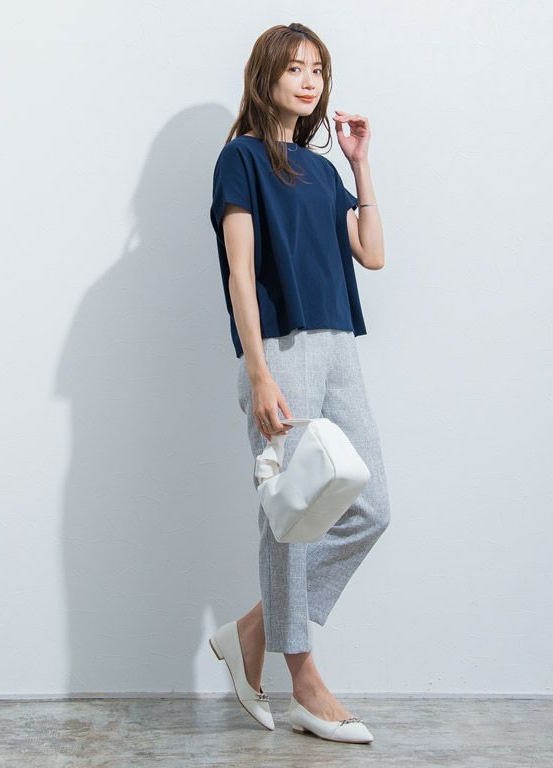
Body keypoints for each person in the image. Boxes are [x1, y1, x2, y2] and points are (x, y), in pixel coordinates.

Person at [208, 22, 391, 744]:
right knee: (289, 516)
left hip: (339, 345)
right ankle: (305, 682)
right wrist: (258, 371)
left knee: (368, 506)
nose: (308, 79)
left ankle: (253, 630)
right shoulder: (241, 159)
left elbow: (372, 253)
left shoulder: (323, 171)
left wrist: (360, 163)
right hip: (280, 350)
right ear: (267, 76)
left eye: (317, 68)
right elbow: (240, 273)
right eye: (294, 67)